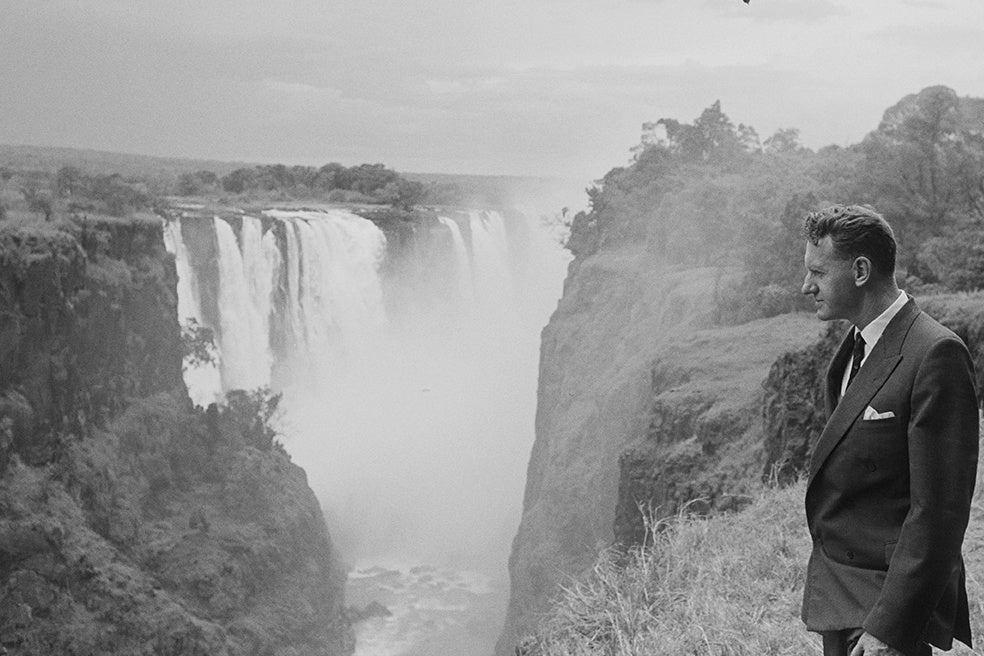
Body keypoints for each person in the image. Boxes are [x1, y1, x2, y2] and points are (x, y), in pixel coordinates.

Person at [799, 205, 979, 656]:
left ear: (861, 270)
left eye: (817, 272)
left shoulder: (935, 353)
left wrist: (891, 626)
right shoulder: (851, 349)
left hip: (885, 608)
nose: (806, 286)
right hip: (839, 594)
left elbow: (938, 512)